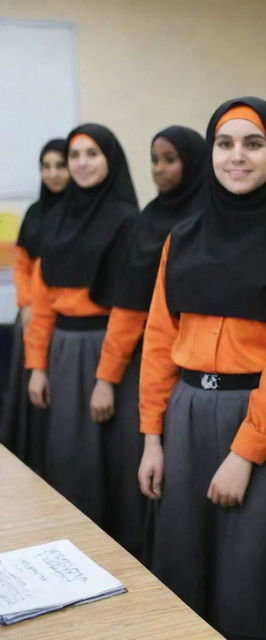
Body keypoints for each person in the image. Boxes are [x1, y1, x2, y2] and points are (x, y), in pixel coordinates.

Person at [137, 98, 266, 639]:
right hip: (185, 416)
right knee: (186, 563)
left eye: (253, 144)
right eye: (224, 144)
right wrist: (152, 437)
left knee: (258, 575)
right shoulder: (180, 239)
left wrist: (245, 453)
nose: (237, 156)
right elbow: (160, 340)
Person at [87, 126, 207, 556]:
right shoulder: (149, 220)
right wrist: (106, 376)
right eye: (154, 160)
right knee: (152, 466)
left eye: (169, 159)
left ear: (192, 162)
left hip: (197, 373)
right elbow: (129, 308)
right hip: (151, 364)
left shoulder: (212, 218)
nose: (159, 169)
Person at [25, 124, 139, 546]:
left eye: (92, 153)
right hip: (62, 352)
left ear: (110, 159)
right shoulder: (56, 219)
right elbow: (41, 302)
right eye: (75, 155)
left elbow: (129, 309)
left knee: (112, 459)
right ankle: (72, 547)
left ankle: (120, 552)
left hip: (111, 353)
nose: (82, 163)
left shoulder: (128, 220)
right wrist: (37, 367)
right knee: (68, 456)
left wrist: (106, 379)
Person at [0, 139, 70, 472]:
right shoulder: (36, 213)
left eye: (60, 165)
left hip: (65, 322)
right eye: (47, 166)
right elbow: (22, 264)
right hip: (32, 318)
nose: (54, 174)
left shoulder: (81, 212)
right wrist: (26, 304)